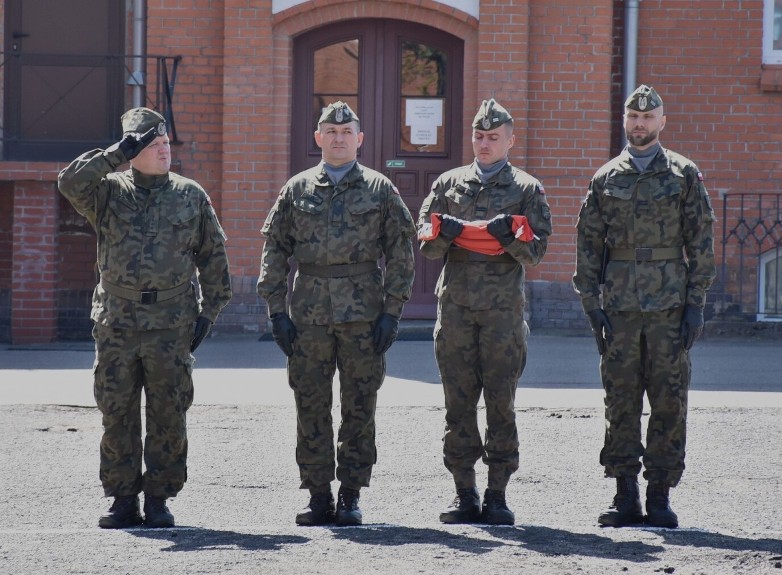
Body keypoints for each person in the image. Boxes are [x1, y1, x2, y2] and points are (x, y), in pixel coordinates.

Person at [57, 107, 232, 528]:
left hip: (171, 322)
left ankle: (159, 498)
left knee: (169, 413)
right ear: (132, 149)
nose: (164, 151)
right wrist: (113, 155)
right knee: (116, 411)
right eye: (153, 146)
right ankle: (122, 498)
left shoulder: (190, 195)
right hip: (116, 321)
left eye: (166, 144)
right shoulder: (109, 192)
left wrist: (210, 311)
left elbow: (213, 256)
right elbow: (69, 182)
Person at [257, 101, 416, 527]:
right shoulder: (297, 189)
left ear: (360, 139)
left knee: (359, 405)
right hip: (307, 313)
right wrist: (276, 311)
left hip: (364, 315)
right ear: (318, 138)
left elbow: (402, 251)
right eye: (330, 131)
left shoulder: (381, 190)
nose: (339, 138)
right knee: (310, 403)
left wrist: (393, 311)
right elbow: (274, 248)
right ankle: (317, 493)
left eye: (347, 132)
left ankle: (350, 493)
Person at [572, 85, 716, 528]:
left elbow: (701, 241)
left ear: (662, 122)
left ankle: (659, 495)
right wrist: (591, 305)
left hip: (669, 306)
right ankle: (624, 495)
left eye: (648, 118)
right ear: (625, 121)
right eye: (634, 117)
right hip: (618, 307)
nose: (640, 124)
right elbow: (588, 244)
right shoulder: (606, 178)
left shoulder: (682, 174)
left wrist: (696, 303)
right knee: (620, 400)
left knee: (669, 398)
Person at [417, 99, 552, 525]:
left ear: (510, 140)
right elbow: (426, 241)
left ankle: (497, 493)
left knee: (500, 403)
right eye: (479, 136)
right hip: (455, 310)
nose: (485, 143)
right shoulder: (448, 184)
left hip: (502, 314)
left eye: (494, 137)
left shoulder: (527, 189)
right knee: (457, 404)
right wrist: (448, 234)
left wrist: (507, 239)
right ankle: (464, 492)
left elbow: (536, 253)